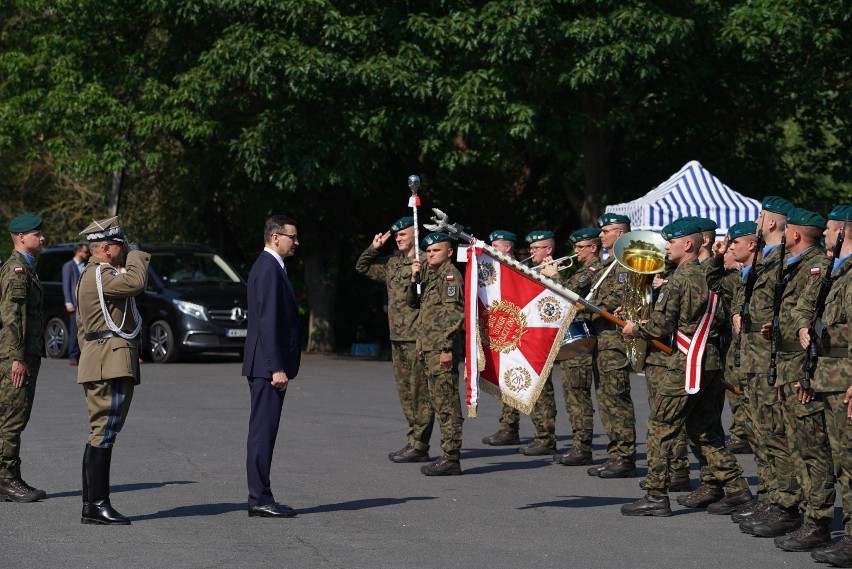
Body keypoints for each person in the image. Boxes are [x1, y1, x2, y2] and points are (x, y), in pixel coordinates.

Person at [620, 218, 750, 517]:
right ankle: (738, 487)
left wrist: (635, 328)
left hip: (687, 361)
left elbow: (662, 325)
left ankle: (655, 495)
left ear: (687, 244)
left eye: (671, 242)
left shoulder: (680, 279)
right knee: (705, 430)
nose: (665, 247)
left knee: (660, 426)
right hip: (710, 360)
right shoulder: (706, 276)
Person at [761, 208, 834, 551]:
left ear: (795, 233)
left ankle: (817, 519)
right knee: (796, 443)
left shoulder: (817, 266)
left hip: (805, 364)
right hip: (788, 361)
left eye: (788, 227)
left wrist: (806, 372)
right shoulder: (794, 264)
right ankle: (805, 513)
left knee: (813, 449)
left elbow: (817, 325)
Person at [731, 196, 801, 538]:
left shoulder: (786, 260)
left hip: (773, 360)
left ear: (771, 222)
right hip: (754, 358)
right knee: (760, 434)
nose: (756, 220)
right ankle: (772, 496)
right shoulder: (766, 259)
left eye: (761, 215)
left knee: (775, 435)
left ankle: (786, 504)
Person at [76, 216, 150, 524]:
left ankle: (91, 504)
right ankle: (97, 505)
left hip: (102, 359)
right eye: (119, 245)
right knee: (104, 432)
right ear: (107, 248)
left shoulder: (94, 275)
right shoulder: (100, 275)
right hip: (109, 361)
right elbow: (136, 282)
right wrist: (137, 253)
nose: (123, 250)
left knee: (99, 432)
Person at [793, 204, 852, 565]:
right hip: (827, 375)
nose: (826, 234)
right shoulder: (835, 271)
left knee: (849, 462)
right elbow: (811, 315)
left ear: (845, 232)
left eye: (830, 229)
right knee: (837, 459)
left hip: (845, 378)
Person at [355, 216, 435, 463]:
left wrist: (417, 275)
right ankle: (413, 440)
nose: (398, 238)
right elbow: (363, 267)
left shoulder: (426, 261)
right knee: (405, 393)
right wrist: (374, 248)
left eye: (403, 234)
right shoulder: (392, 264)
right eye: (396, 235)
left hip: (417, 337)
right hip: (397, 338)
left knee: (421, 393)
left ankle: (420, 444)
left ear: (415, 234)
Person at [242, 215, 301, 517]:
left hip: (267, 365)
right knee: (263, 432)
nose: (296, 242)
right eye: (292, 236)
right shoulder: (267, 268)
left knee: (264, 431)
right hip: (267, 367)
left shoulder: (273, 267)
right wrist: (276, 367)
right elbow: (266, 322)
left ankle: (261, 495)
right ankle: (259, 498)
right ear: (276, 237)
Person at [586, 213, 637, 478]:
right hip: (602, 341)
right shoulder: (610, 263)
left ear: (620, 233)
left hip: (615, 343)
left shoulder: (628, 262)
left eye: (606, 231)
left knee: (616, 398)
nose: (601, 235)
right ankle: (616, 453)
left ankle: (625, 456)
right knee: (605, 399)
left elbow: (620, 296)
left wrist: (592, 303)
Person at [0, 213, 47, 503]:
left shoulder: (27, 269)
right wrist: (17, 358)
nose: (42, 238)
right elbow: (12, 317)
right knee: (12, 417)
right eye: (36, 234)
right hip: (16, 358)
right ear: (21, 238)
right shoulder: (16, 270)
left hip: (25, 355)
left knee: (15, 415)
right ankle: (7, 480)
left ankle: (8, 476)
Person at [409, 232, 465, 476]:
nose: (430, 254)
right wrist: (414, 278)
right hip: (428, 348)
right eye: (428, 251)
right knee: (438, 402)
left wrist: (445, 348)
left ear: (449, 252)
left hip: (441, 350)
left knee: (447, 404)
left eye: (436, 250)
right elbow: (415, 305)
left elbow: (453, 315)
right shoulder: (432, 276)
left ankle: (451, 457)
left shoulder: (450, 277)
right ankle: (447, 455)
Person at [553, 228, 604, 466]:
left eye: (580, 247)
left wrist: (553, 276)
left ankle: (582, 447)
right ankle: (579, 445)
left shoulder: (591, 272)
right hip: (574, 340)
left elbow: (567, 297)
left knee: (577, 395)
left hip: (581, 341)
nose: (575, 252)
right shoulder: (584, 270)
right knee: (572, 395)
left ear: (592, 248)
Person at [515, 230, 561, 456]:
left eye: (536, 248)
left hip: (548, 337)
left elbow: (565, 299)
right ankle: (541, 434)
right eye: (530, 248)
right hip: (531, 336)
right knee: (534, 388)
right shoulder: (530, 270)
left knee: (544, 390)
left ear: (549, 250)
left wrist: (553, 277)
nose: (531, 251)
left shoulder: (557, 270)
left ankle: (547, 437)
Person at [481, 230, 524, 447]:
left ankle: (545, 434)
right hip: (502, 332)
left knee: (524, 383)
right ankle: (508, 427)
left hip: (520, 334)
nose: (491, 249)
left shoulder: (521, 270)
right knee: (505, 383)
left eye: (495, 245)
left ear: (507, 248)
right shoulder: (494, 270)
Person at [62, 243, 90, 366]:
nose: (87, 254)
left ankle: (83, 354)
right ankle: (73, 355)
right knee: (75, 330)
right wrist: (68, 302)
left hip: (86, 304)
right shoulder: (68, 266)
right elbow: (66, 285)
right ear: (78, 252)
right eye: (85, 252)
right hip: (74, 303)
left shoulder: (86, 266)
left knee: (85, 330)